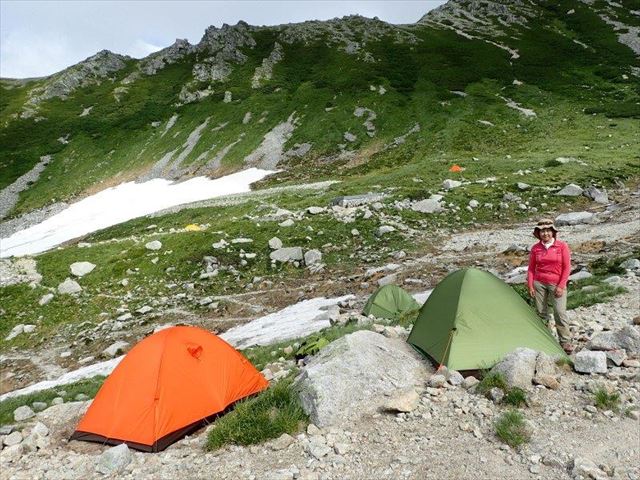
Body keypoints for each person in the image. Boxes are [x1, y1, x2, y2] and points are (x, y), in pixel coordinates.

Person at [527, 219, 574, 353]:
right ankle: (546, 340)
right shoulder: (535, 248)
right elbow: (531, 268)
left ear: (553, 232)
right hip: (539, 283)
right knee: (541, 312)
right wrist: (530, 285)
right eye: (542, 231)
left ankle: (565, 342)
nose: (545, 234)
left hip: (556, 283)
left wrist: (561, 286)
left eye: (548, 231)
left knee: (560, 312)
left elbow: (567, 267)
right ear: (538, 233)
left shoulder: (562, 246)